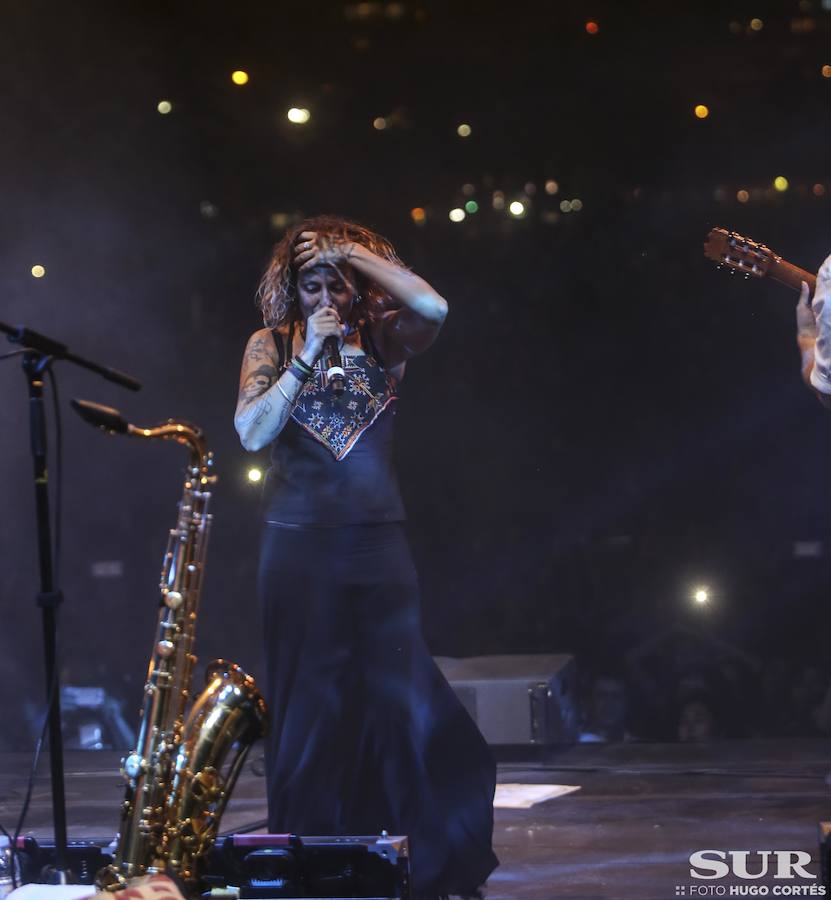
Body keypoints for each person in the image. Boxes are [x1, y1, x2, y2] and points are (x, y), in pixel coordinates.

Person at [234, 215, 498, 900]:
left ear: (357, 290)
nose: (323, 297)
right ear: (293, 290)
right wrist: (300, 360)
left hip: (375, 541)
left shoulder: (384, 340)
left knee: (399, 696)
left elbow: (433, 306)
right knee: (306, 705)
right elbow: (250, 433)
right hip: (294, 545)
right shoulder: (271, 343)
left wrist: (348, 248)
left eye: (336, 285)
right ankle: (308, 851)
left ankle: (418, 850)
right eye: (310, 283)